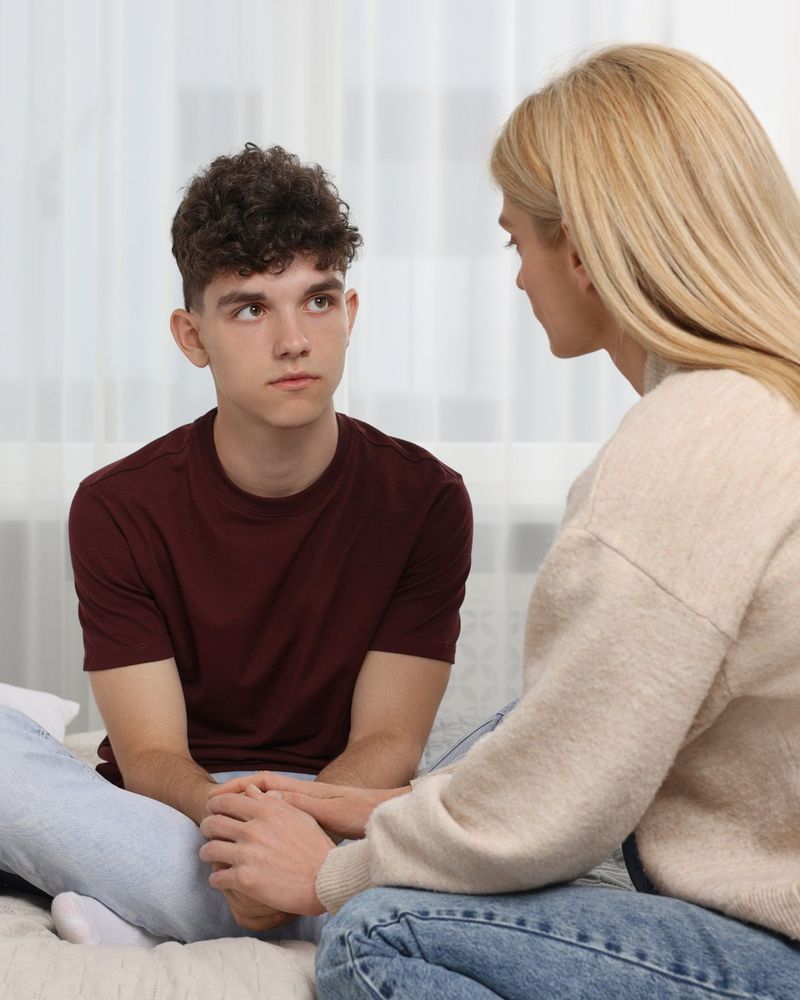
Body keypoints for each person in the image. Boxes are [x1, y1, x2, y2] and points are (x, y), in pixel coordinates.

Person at [200, 45, 800, 998]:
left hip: (774, 951)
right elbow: (582, 729)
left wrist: (330, 872)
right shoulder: (767, 409)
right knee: (515, 734)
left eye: (517, 240)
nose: (518, 278)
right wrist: (388, 810)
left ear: (585, 248)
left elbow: (562, 804)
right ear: (192, 334)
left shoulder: (690, 446)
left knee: (377, 933)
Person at [0, 144, 472, 948]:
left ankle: (152, 908)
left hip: (337, 809)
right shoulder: (117, 506)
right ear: (193, 336)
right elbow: (150, 756)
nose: (293, 340)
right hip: (176, 810)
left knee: (550, 737)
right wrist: (247, 830)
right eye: (251, 309)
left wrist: (302, 840)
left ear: (349, 315)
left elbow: (389, 742)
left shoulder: (426, 499)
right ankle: (285, 907)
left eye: (316, 301)